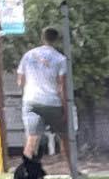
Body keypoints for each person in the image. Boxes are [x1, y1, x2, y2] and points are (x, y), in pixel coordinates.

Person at [17, 26, 71, 170]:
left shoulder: (28, 55)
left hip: (31, 100)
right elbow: (62, 86)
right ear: (57, 40)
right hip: (52, 102)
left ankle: (26, 173)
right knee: (65, 137)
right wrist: (65, 108)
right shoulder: (60, 59)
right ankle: (72, 171)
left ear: (42, 38)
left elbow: (20, 81)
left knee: (32, 139)